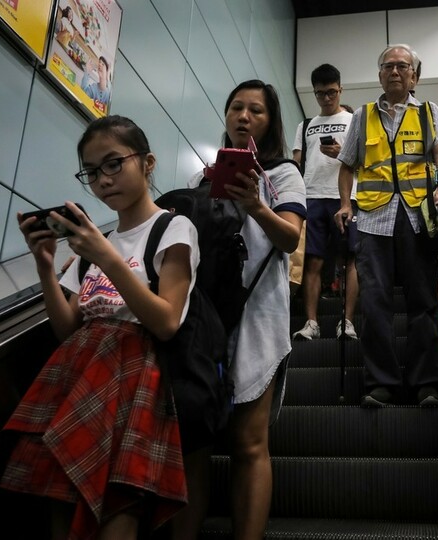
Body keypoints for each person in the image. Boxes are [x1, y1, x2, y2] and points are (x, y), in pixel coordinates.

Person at [0, 115, 198, 539]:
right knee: (60, 491)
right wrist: (46, 267)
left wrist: (106, 256)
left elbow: (166, 321)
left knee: (117, 504)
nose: (103, 180)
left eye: (113, 163)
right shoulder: (96, 241)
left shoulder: (172, 227)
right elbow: (68, 329)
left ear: (147, 163)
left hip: (133, 374)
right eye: (91, 172)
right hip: (78, 371)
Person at [168, 80, 306, 539]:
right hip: (202, 318)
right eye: (236, 108)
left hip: (257, 315)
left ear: (271, 121)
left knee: (248, 444)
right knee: (194, 444)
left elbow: (289, 238)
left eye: (256, 111)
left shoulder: (283, 174)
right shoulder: (201, 179)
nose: (244, 117)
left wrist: (255, 206)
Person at [334, 44, 438, 408]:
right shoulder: (362, 115)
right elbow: (347, 165)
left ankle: (426, 384)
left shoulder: (429, 112)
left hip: (417, 219)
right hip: (373, 220)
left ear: (414, 77)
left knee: (423, 302)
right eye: (388, 66)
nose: (395, 71)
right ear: (379, 75)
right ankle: (381, 384)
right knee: (374, 304)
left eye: (403, 66)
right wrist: (345, 204)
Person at [291, 64, 359, 341]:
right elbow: (296, 163)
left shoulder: (354, 120)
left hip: (346, 197)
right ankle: (311, 322)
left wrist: (342, 152)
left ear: (341, 89)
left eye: (332, 92)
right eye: (320, 93)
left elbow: (366, 160)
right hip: (311, 196)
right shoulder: (305, 125)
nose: (327, 98)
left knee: (351, 258)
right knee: (312, 260)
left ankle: (348, 321)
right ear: (314, 93)